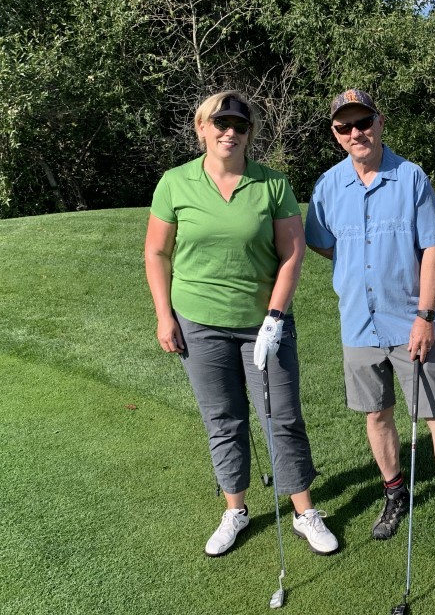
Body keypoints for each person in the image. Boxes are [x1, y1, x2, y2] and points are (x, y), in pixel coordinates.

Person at [304, 89, 435, 562]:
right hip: (358, 324)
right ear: (335, 134)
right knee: (377, 415)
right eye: (345, 127)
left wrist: (425, 315)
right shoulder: (328, 186)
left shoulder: (411, 177)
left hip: (411, 322)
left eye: (363, 122)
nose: (356, 133)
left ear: (380, 122)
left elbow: (432, 248)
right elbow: (322, 241)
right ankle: (395, 493)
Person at [144, 91, 338, 558]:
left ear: (250, 133)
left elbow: (292, 254)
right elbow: (157, 252)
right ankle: (236, 509)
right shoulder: (175, 183)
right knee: (223, 418)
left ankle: (303, 511)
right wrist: (164, 315)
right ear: (201, 127)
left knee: (282, 417)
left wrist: (275, 317)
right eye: (220, 123)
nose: (229, 132)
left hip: (264, 324)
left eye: (240, 125)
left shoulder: (272, 184)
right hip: (199, 323)